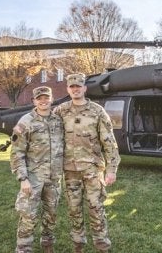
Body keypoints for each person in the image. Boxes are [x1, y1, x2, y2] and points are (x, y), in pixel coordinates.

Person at [54, 73, 121, 253]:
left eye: (78, 86)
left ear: (84, 88)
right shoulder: (60, 111)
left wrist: (111, 169)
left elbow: (109, 142)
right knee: (74, 211)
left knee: (96, 209)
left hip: (92, 170)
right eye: (72, 87)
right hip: (70, 171)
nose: (75, 89)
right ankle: (78, 246)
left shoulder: (97, 111)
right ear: (68, 89)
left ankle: (102, 247)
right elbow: (46, 131)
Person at [10, 86, 64, 253]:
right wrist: (23, 179)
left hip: (54, 178)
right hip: (33, 178)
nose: (43, 101)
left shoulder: (57, 120)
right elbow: (16, 153)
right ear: (34, 101)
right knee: (28, 216)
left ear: (51, 99)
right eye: (39, 98)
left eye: (46, 97)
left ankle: (47, 244)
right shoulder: (26, 122)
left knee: (51, 214)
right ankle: (23, 248)